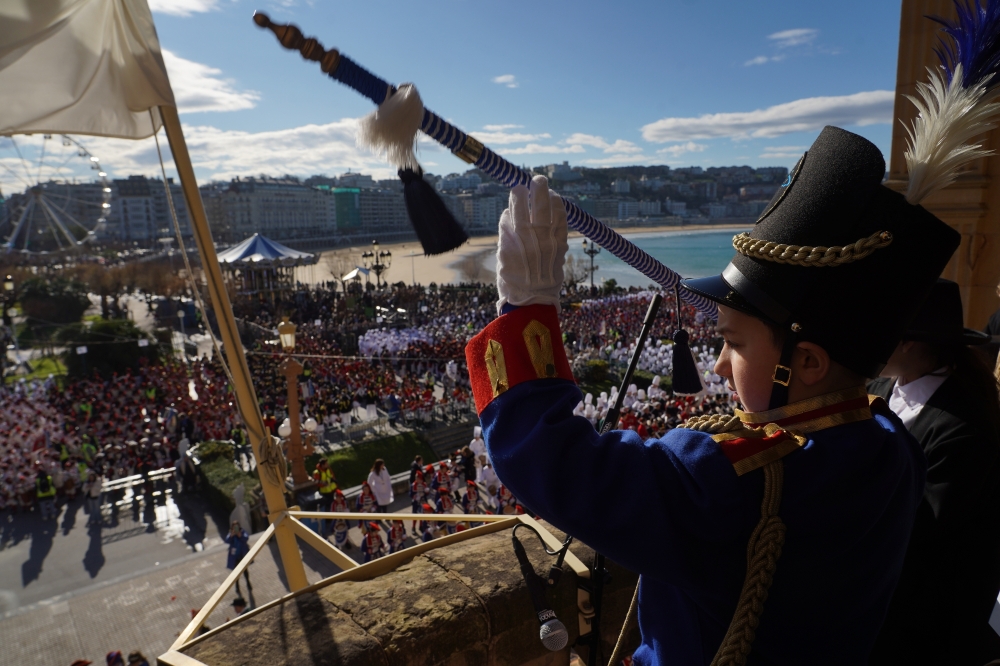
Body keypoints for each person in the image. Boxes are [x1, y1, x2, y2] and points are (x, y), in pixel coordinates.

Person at [465, 128, 960, 663]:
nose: (721, 365)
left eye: (734, 343)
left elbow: (553, 464)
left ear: (808, 363)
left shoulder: (728, 480)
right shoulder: (891, 444)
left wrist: (525, 312)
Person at [868, 279, 1000, 665]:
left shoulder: (963, 426)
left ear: (908, 341)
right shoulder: (880, 386)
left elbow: (925, 537)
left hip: (924, 619)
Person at [226, 520, 252, 597]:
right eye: (234, 527)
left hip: (242, 555)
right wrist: (232, 535)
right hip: (235, 557)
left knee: (245, 571)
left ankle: (248, 583)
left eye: (237, 526)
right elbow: (227, 540)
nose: (236, 528)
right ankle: (237, 587)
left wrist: (239, 534)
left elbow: (246, 538)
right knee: (236, 574)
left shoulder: (242, 531)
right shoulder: (231, 533)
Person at [313, 458, 337, 535]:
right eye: (326, 463)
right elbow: (316, 482)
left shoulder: (328, 469)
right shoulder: (317, 472)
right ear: (322, 465)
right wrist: (324, 483)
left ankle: (332, 518)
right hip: (324, 492)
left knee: (332, 505)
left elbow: (331, 477)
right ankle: (327, 520)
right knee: (326, 507)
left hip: (330, 490)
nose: (327, 464)